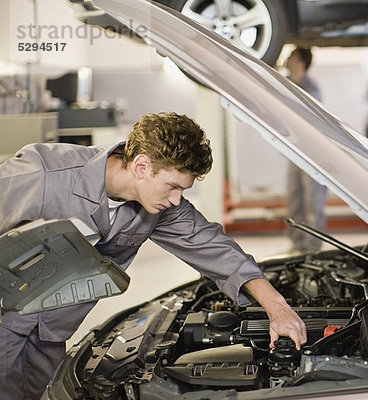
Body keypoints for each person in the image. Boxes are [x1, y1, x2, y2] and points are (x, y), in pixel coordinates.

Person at [0, 112, 307, 400]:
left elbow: (216, 249)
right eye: (172, 186)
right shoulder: (43, 175)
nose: (176, 200)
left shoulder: (160, 208)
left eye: (182, 191)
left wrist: (277, 307)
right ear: (142, 166)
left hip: (52, 333)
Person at [284, 46, 328, 252]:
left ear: (301, 63)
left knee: (313, 203)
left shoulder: (311, 89)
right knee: (294, 200)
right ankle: (298, 246)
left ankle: (313, 249)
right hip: (295, 152)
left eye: (291, 55)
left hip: (313, 154)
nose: (287, 58)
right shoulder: (285, 83)